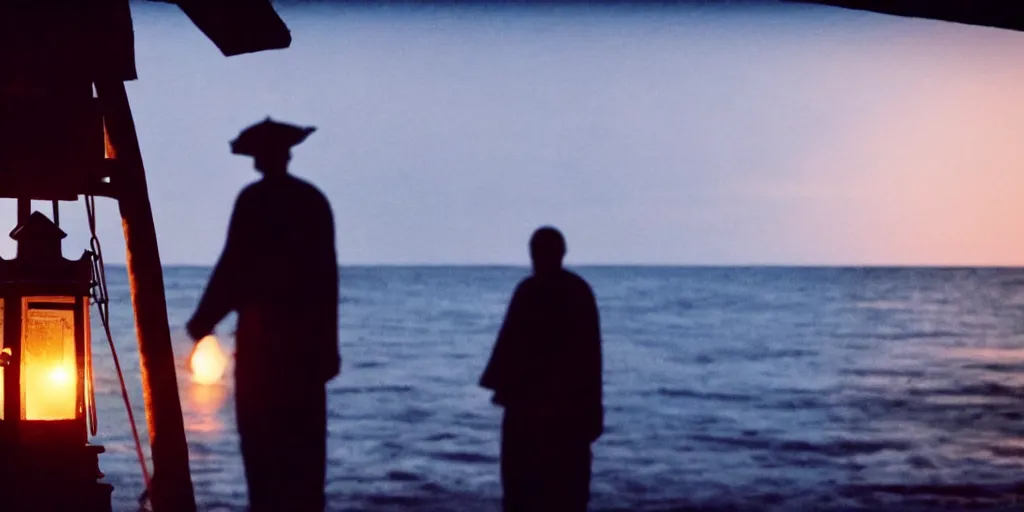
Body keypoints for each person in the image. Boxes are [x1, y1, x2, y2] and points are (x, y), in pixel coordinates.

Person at [186, 117, 340, 512]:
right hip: (307, 352)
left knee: (263, 451)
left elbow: (234, 266)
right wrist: (328, 348)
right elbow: (327, 280)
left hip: (264, 348)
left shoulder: (254, 201)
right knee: (304, 456)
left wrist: (203, 321)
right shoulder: (313, 201)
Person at [480, 226, 604, 512]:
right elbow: (592, 357)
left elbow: (506, 356)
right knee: (568, 495)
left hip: (528, 413)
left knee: (522, 494)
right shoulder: (578, 291)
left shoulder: (529, 291)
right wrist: (594, 408)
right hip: (569, 413)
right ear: (562, 254)